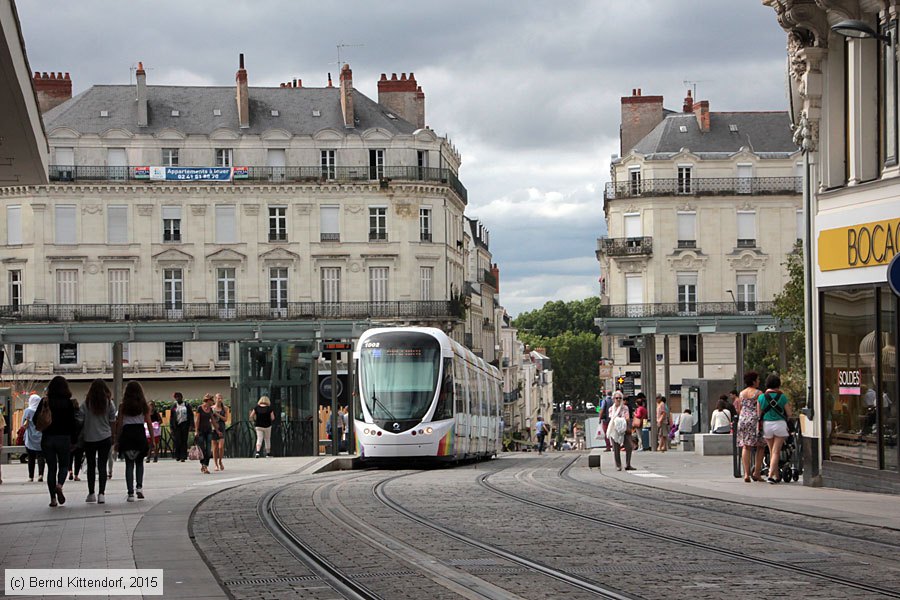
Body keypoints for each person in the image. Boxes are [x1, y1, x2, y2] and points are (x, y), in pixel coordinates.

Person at [41, 375, 77, 507]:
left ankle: (53, 499)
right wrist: (74, 440)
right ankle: (59, 485)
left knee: (51, 468)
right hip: (64, 438)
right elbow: (73, 423)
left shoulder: (45, 401)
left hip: (48, 438)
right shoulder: (69, 403)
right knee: (63, 466)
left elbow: (35, 419)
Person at [115, 381, 155, 501]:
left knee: (129, 464)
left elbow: (120, 424)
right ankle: (139, 487)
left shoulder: (123, 406)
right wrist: (152, 440)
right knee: (139, 462)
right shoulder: (144, 406)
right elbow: (149, 423)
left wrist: (117, 439)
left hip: (127, 434)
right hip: (139, 434)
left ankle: (130, 493)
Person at [81, 379, 116, 504]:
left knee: (91, 466)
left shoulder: (86, 403)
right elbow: (113, 421)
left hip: (89, 438)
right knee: (102, 465)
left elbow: (80, 419)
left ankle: (91, 493)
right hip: (105, 437)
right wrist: (113, 436)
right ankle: (102, 493)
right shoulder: (109, 403)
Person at [758, 373, 792, 484]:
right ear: (778, 384)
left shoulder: (761, 397)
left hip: (767, 425)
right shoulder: (782, 397)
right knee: (776, 452)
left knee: (772, 451)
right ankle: (770, 475)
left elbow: (759, 414)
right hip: (780, 425)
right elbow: (789, 413)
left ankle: (777, 476)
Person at [737, 371, 765, 482]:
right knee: (760, 446)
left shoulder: (741, 393)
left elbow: (739, 408)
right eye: (758, 379)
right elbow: (760, 407)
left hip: (743, 419)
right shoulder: (759, 393)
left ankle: (746, 474)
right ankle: (757, 472)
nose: (759, 381)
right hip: (754, 420)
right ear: (753, 381)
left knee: (746, 446)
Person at [608, 391, 635, 471]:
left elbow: (627, 418)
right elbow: (613, 419)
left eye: (620, 398)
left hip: (625, 429)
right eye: (617, 398)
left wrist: (620, 420)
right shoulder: (611, 409)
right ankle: (618, 465)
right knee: (616, 448)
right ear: (613, 399)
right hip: (614, 430)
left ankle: (628, 464)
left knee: (629, 446)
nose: (618, 399)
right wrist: (621, 420)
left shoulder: (625, 407)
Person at [23, 394, 46, 482]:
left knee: (31, 457)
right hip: (41, 436)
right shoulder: (42, 410)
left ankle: (31, 476)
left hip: (30, 437)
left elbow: (23, 424)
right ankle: (40, 474)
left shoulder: (27, 411)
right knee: (41, 457)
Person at [170, 392, 193, 462]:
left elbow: (191, 415)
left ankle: (183, 456)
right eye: (176, 397)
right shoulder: (174, 406)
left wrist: (191, 425)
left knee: (184, 440)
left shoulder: (186, 405)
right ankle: (178, 456)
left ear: (181, 397)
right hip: (176, 425)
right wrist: (171, 427)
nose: (178, 398)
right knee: (177, 441)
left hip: (185, 424)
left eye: (179, 397)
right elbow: (171, 417)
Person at [194, 394, 214, 474]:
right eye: (212, 400)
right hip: (201, 431)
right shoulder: (200, 408)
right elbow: (197, 420)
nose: (213, 402)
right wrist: (196, 430)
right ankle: (203, 464)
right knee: (202, 449)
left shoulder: (210, 409)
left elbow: (212, 420)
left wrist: (217, 430)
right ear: (208, 400)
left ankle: (205, 465)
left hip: (208, 430)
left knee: (209, 450)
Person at [68, 397, 85, 481]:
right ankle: (76, 475)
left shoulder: (67, 414)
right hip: (80, 440)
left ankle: (70, 471)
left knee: (69, 457)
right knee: (78, 458)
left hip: (70, 440)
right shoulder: (81, 414)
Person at [211, 393, 228, 471]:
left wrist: (217, 414)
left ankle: (220, 461)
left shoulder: (225, 408)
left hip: (221, 427)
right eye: (218, 398)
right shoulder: (211, 408)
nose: (220, 400)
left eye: (221, 398)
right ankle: (216, 464)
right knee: (214, 447)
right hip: (213, 427)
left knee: (220, 447)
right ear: (215, 399)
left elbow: (225, 419)